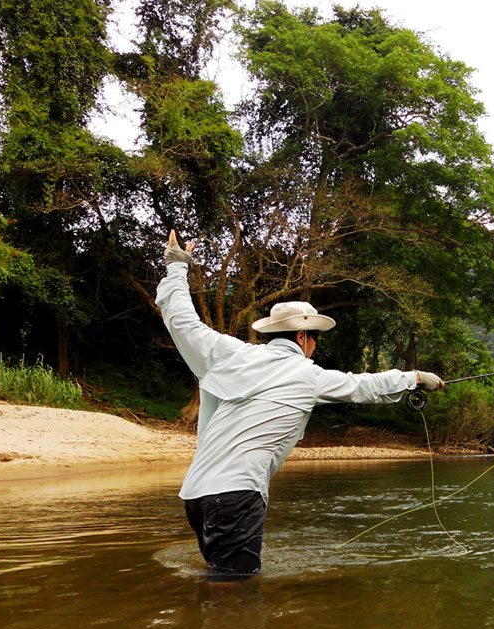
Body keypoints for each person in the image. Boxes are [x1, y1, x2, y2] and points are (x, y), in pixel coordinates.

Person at [156, 230, 444, 580]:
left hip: (196, 496)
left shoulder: (229, 353)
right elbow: (364, 386)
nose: (314, 348)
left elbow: (182, 322)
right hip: (237, 494)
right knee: (236, 596)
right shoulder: (307, 375)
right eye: (314, 341)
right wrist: (415, 377)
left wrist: (176, 268)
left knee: (222, 584)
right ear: (302, 338)